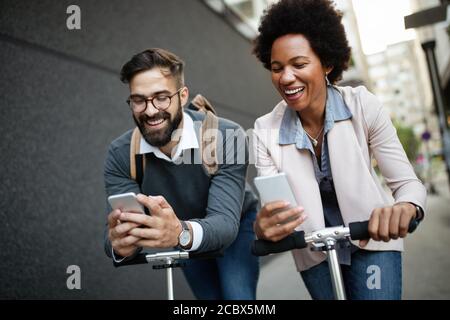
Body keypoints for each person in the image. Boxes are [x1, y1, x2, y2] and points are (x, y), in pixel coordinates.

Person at [251, 0, 426, 300]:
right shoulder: (264, 130)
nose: (286, 77)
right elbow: (276, 211)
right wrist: (265, 226)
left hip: (372, 240)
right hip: (314, 253)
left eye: (299, 64)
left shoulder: (363, 105)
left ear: (327, 63)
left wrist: (406, 208)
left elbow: (408, 184)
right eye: (277, 68)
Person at [103, 48, 259, 299]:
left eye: (161, 97)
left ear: (182, 95)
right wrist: (120, 245)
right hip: (178, 228)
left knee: (237, 297)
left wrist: (178, 233)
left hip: (235, 224)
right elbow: (113, 237)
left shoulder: (227, 137)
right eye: (139, 100)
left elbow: (225, 224)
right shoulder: (121, 154)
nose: (150, 110)